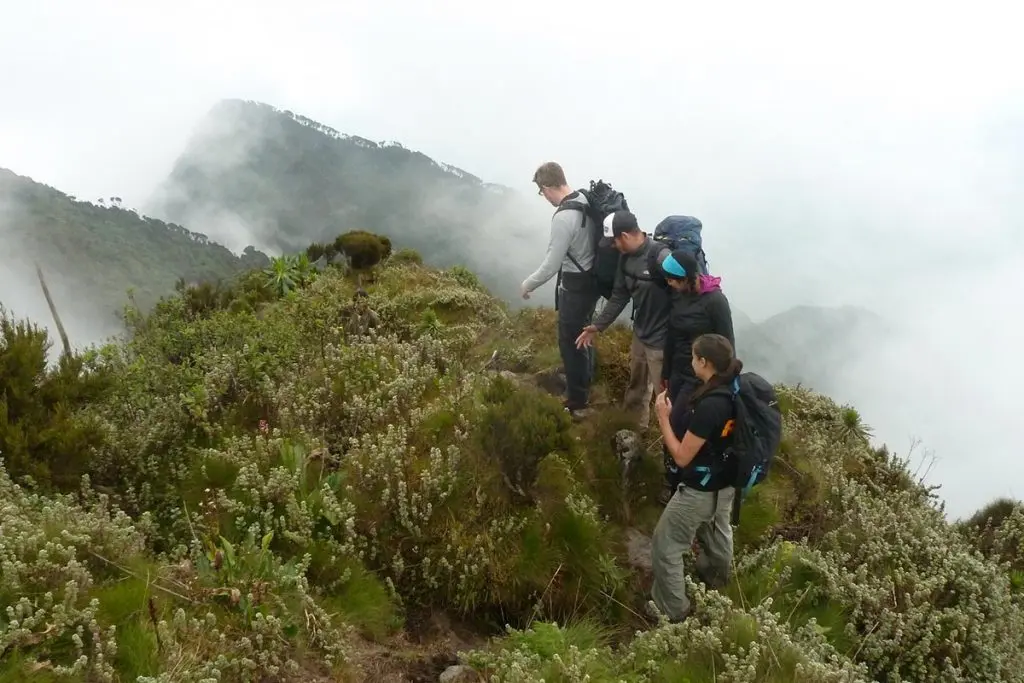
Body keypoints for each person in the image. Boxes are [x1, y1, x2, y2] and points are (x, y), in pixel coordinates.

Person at [648, 332, 741, 624]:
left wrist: (662, 417)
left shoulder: (710, 405)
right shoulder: (735, 389)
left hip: (700, 490)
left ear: (704, 362)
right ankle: (716, 583)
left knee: (665, 544)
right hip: (727, 484)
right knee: (718, 531)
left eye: (694, 357)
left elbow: (681, 456)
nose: (691, 362)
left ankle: (674, 612)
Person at [574, 210, 671, 431]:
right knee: (637, 386)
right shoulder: (625, 259)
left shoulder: (661, 257)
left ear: (625, 236)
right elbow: (619, 296)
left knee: (665, 396)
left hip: (663, 342)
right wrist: (597, 326)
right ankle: (634, 431)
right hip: (641, 333)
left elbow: (684, 294)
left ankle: (673, 448)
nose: (613, 246)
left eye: (614, 241)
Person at [521, 161, 600, 418]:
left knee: (570, 340)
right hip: (592, 281)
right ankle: (585, 382)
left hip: (575, 286)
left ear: (546, 187)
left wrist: (528, 283)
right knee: (584, 333)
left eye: (541, 192)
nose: (543, 198)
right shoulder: (585, 200)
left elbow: (552, 263)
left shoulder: (563, 217)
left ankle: (577, 399)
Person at [658, 250, 735, 503]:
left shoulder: (715, 302)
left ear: (687, 278)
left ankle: (681, 486)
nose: (669, 284)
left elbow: (726, 347)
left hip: (700, 379)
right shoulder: (678, 294)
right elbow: (672, 335)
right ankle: (671, 478)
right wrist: (666, 373)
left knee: (680, 426)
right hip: (678, 372)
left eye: (673, 279)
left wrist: (717, 387)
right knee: (672, 421)